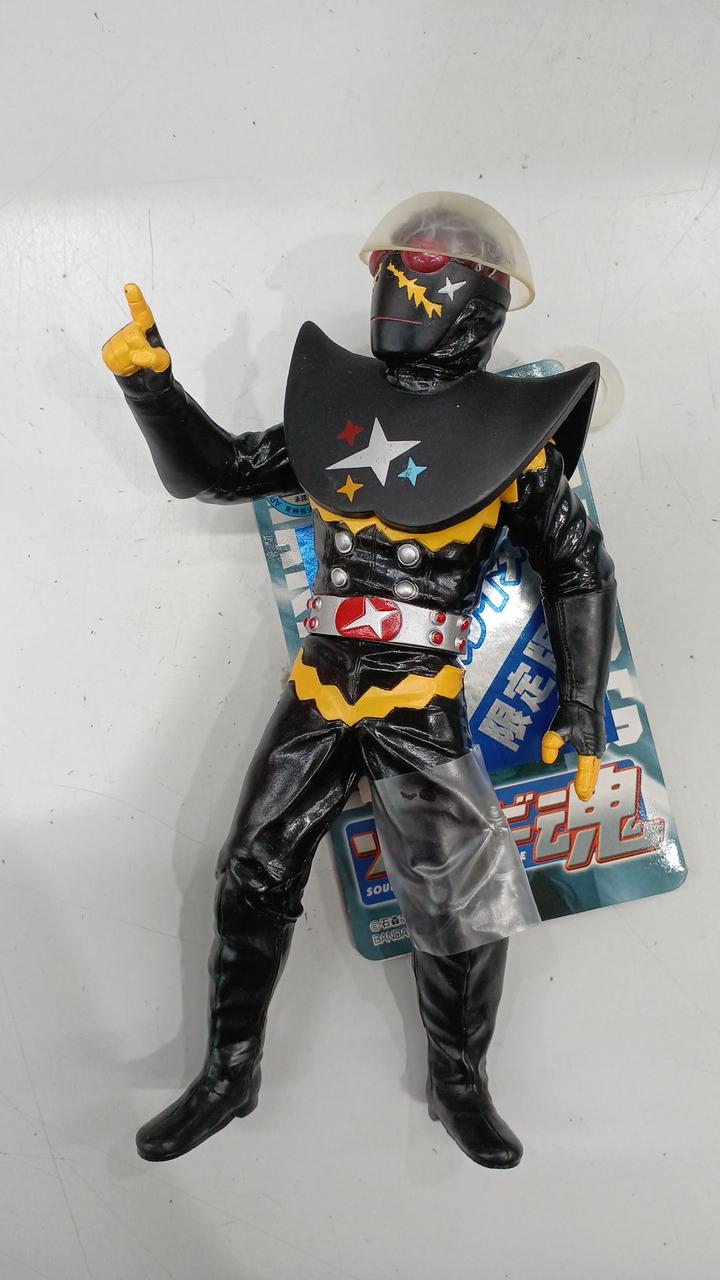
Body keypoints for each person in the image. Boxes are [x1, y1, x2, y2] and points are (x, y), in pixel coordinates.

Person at [102, 192, 616, 1169]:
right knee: (252, 865)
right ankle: (230, 1071)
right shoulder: (341, 416)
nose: (401, 286)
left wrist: (584, 714)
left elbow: (577, 569)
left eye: (423, 274)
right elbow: (221, 470)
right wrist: (154, 389)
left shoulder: (514, 442)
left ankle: (460, 1082)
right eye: (396, 269)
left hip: (420, 697)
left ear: (472, 301)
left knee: (466, 902)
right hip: (323, 681)